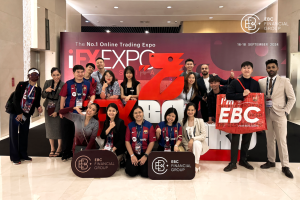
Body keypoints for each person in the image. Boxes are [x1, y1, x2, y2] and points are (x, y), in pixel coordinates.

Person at [258, 59, 296, 178]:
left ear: (277, 68)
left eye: (273, 67)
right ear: (266, 69)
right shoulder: (261, 82)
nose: (271, 69)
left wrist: (285, 111)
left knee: (281, 141)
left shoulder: (284, 81)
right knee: (269, 139)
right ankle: (271, 161)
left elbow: (292, 98)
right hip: (267, 114)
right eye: (269, 67)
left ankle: (285, 166)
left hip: (280, 114)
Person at [224, 61, 260, 172]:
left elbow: (258, 98)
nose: (246, 69)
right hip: (237, 114)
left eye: (249, 67)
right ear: (241, 70)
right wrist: (241, 95)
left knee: (247, 139)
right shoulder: (235, 82)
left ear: (252, 70)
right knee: (235, 139)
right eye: (244, 67)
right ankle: (233, 163)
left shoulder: (255, 83)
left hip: (249, 115)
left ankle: (243, 160)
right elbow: (228, 96)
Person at [59, 65, 96, 161]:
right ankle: (65, 154)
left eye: (81, 72)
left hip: (80, 114)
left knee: (78, 135)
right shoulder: (68, 83)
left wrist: (91, 102)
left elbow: (92, 94)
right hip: (68, 113)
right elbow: (62, 97)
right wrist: (61, 111)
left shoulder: (87, 83)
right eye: (78, 72)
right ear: (74, 73)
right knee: (66, 134)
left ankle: (75, 153)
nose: (80, 74)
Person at [9, 68, 43, 164]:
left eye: (36, 74)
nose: (34, 76)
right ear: (28, 76)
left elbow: (36, 102)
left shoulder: (38, 89)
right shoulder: (21, 85)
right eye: (32, 74)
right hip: (16, 113)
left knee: (24, 134)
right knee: (14, 134)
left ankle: (23, 154)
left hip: (26, 115)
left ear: (38, 76)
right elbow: (15, 99)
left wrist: (39, 107)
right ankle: (15, 157)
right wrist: (19, 112)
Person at [125, 106, 156, 177]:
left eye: (140, 112)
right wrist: (132, 155)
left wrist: (146, 156)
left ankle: (141, 167)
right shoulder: (130, 126)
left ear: (143, 113)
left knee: (145, 174)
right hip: (133, 153)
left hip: (145, 153)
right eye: (135, 113)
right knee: (131, 172)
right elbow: (127, 141)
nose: (138, 114)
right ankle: (136, 166)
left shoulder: (149, 125)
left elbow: (152, 142)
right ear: (133, 115)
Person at [42, 67, 65, 157]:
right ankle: (52, 148)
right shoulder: (48, 82)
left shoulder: (63, 84)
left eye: (58, 75)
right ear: (51, 75)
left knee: (59, 128)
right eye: (54, 75)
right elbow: (43, 96)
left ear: (60, 75)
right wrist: (46, 91)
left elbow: (61, 99)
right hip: (48, 106)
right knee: (49, 128)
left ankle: (59, 148)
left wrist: (57, 111)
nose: (56, 77)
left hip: (57, 107)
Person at [180, 103, 209, 173]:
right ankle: (191, 162)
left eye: (192, 110)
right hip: (187, 145)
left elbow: (203, 135)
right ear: (186, 110)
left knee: (196, 142)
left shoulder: (200, 121)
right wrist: (188, 146)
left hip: (198, 144)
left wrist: (192, 139)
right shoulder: (182, 122)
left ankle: (196, 164)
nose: (190, 112)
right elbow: (182, 136)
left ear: (195, 111)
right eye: (188, 110)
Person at [100, 103, 126, 169]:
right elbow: (102, 136)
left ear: (117, 112)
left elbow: (122, 140)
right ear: (107, 111)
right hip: (106, 147)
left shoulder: (120, 122)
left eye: (113, 111)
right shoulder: (106, 122)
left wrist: (112, 150)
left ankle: (122, 158)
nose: (111, 112)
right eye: (109, 110)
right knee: (101, 164)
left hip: (116, 149)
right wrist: (110, 127)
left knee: (112, 167)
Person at [207, 76, 232, 142]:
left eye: (215, 82)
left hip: (228, 115)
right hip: (217, 116)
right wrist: (210, 119)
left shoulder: (226, 89)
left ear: (219, 83)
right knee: (219, 134)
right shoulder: (209, 95)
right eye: (211, 83)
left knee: (230, 134)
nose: (213, 84)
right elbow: (209, 107)